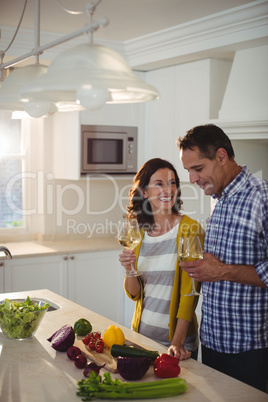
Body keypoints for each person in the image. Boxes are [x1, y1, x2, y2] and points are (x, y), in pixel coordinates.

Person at [177, 124, 268, 391]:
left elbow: (221, 270)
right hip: (213, 341)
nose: (193, 179)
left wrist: (223, 271)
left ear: (221, 156)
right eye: (189, 171)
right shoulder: (218, 198)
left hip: (249, 348)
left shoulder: (261, 196)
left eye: (198, 168)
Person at [119, 158, 204, 360]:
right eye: (159, 184)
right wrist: (129, 269)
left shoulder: (190, 229)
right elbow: (135, 294)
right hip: (141, 339)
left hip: (176, 345)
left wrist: (177, 342)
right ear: (145, 192)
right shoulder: (139, 232)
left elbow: (189, 295)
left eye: (172, 182)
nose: (168, 189)